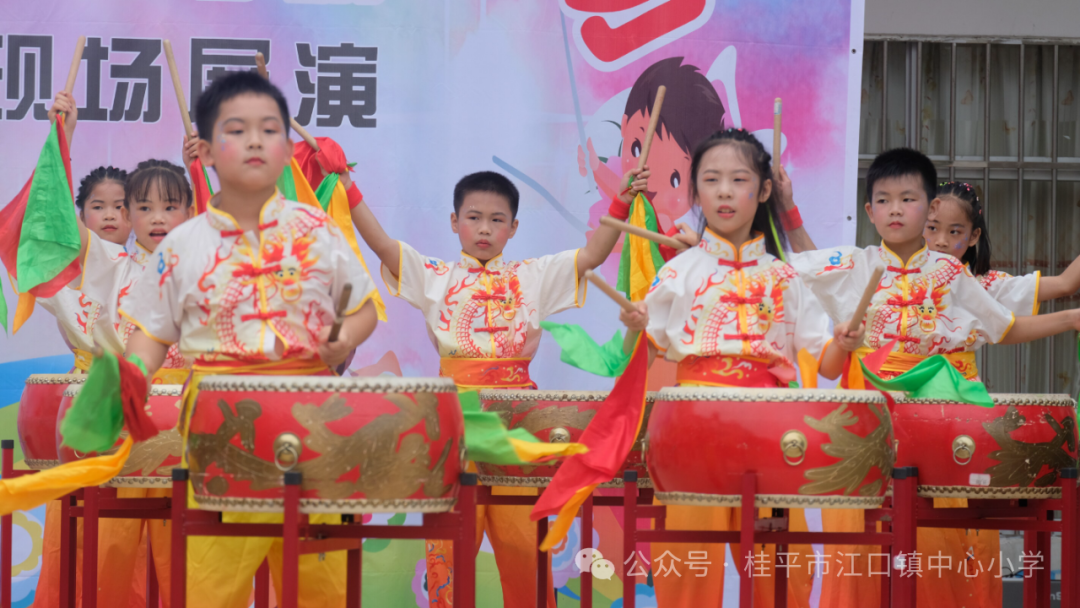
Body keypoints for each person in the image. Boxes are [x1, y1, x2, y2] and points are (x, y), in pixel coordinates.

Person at [119, 70, 378, 608]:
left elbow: (363, 311)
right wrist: (126, 389)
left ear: (287, 148)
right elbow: (149, 335)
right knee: (210, 590)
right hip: (221, 435)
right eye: (237, 129)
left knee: (323, 591)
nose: (256, 141)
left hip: (313, 430)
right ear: (208, 150)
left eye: (270, 129)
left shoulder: (315, 229)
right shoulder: (183, 244)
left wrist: (343, 338)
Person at [346, 163, 650, 606]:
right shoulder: (436, 276)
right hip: (455, 424)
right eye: (473, 217)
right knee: (448, 551)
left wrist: (621, 202)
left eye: (496, 220)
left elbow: (592, 256)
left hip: (518, 427)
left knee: (525, 546)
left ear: (513, 227)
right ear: (454, 222)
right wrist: (347, 185)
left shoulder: (533, 276)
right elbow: (381, 244)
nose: (484, 229)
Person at [790, 147, 1080, 608]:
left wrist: (1069, 320)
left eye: (908, 199)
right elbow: (800, 263)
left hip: (939, 416)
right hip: (869, 418)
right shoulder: (855, 264)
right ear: (869, 211)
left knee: (940, 534)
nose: (895, 210)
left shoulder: (951, 273)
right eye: (883, 200)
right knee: (861, 538)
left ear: (927, 207)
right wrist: (783, 207)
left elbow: (1004, 327)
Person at [619, 128, 857, 607]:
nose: (724, 191)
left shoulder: (786, 277)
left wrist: (847, 342)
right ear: (696, 191)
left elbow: (828, 367)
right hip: (692, 429)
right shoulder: (678, 273)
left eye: (738, 179)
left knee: (777, 566)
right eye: (711, 180)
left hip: (770, 432)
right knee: (687, 565)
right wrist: (632, 325)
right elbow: (640, 353)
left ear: (764, 190)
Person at [926, 180, 1080, 315]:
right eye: (932, 228)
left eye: (954, 232)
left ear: (973, 237)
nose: (941, 241)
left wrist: (1069, 319)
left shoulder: (982, 286)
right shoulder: (902, 275)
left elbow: (1064, 284)